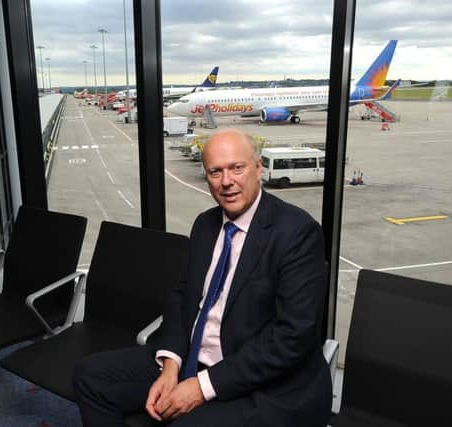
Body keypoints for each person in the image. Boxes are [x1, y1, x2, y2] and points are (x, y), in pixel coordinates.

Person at [73, 128, 332, 426]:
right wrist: (171, 363)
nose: (227, 182)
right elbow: (182, 298)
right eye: (215, 171)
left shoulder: (297, 233)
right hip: (194, 361)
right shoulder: (205, 225)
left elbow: (292, 338)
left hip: (267, 384)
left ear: (258, 168)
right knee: (90, 377)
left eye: (237, 168)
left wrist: (201, 387)